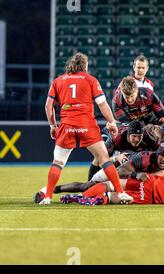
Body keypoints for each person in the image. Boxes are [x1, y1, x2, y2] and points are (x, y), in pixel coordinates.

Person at [35, 52, 133, 205]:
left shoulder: (58, 81)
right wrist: (112, 123)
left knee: (58, 162)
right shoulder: (91, 80)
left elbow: (48, 106)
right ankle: (120, 193)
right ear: (85, 66)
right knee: (104, 159)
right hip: (87, 126)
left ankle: (47, 197)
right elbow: (102, 104)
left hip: (66, 126)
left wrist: (53, 126)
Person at [59, 170, 164, 206]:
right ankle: (100, 199)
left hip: (147, 181)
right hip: (149, 198)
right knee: (113, 198)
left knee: (111, 184)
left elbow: (162, 173)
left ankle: (83, 195)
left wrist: (148, 176)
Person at [87, 120, 164, 180]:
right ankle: (89, 183)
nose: (137, 139)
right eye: (134, 136)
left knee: (132, 160)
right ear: (128, 134)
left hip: (129, 151)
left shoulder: (148, 137)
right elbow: (101, 160)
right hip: (107, 134)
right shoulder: (116, 137)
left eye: (139, 136)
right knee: (98, 158)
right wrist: (116, 157)